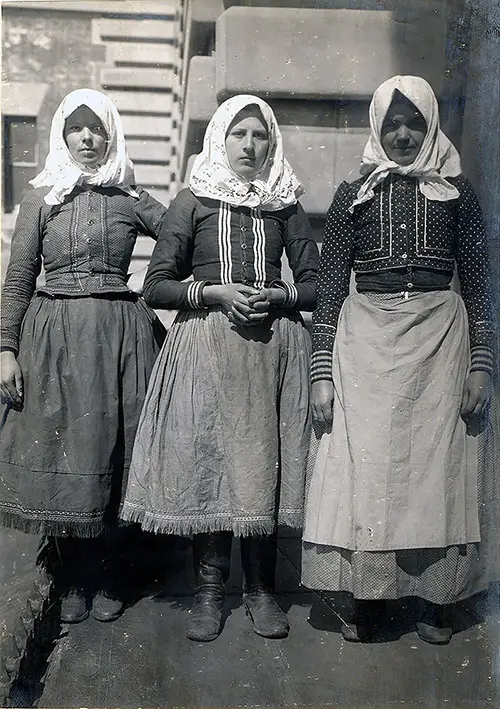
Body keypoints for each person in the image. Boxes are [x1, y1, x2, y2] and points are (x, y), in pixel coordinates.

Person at [302, 75, 495, 645]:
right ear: (377, 129)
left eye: (415, 123)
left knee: (438, 473)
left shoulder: (459, 194)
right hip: (365, 345)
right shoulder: (352, 195)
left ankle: (438, 601)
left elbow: (482, 286)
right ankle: (371, 599)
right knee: (372, 472)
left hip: (441, 342)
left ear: (432, 125)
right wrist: (321, 372)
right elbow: (332, 286)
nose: (404, 134)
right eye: (393, 124)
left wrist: (481, 362)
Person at [120, 94, 319, 642]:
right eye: (239, 135)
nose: (250, 147)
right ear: (220, 141)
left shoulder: (285, 205)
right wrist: (214, 291)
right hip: (205, 347)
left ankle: (260, 591)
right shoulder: (192, 201)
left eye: (260, 137)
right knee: (210, 464)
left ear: (271, 143)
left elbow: (316, 284)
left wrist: (277, 297)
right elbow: (155, 283)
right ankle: (209, 592)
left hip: (270, 351)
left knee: (261, 466)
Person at [0, 89, 167, 624]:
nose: (88, 139)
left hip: (120, 334)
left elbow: (181, 237)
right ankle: (73, 577)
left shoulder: (128, 198)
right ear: (63, 135)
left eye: (98, 129)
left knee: (116, 448)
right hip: (54, 340)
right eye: (78, 129)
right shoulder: (41, 200)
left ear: (112, 134)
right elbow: (20, 278)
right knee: (63, 449)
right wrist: (5, 348)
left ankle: (111, 574)